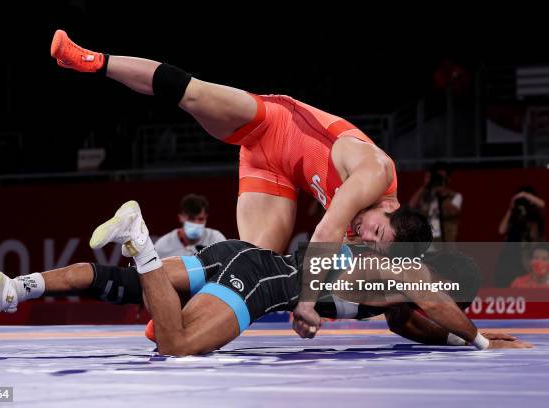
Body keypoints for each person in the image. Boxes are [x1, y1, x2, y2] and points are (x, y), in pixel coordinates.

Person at [50, 29, 433, 334]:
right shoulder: (375, 173)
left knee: (246, 263)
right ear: (391, 208)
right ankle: (92, 60)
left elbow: (393, 309)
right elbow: (326, 231)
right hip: (272, 122)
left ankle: (177, 312)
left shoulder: (371, 226)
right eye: (379, 235)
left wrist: (470, 338)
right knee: (191, 92)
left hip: (273, 173)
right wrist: (305, 301)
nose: (370, 240)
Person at [0, 201, 530, 353]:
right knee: (177, 344)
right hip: (261, 279)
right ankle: (139, 236)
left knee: (123, 288)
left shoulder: (390, 288)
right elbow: (436, 305)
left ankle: (11, 289)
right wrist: (480, 342)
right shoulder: (406, 267)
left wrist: (452, 337)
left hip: (240, 255)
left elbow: (413, 324)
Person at [495, 186, 546, 287]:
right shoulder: (515, 214)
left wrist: (524, 195)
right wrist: (511, 208)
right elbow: (501, 230)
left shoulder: (536, 215)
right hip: (512, 254)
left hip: (529, 254)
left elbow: (542, 204)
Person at [154, 193, 226, 257]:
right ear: (180, 217)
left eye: (200, 219)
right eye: (191, 219)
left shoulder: (216, 240)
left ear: (206, 218)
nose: (196, 223)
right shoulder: (162, 247)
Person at [409, 162, 462, 242]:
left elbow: (453, 211)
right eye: (436, 177)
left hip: (445, 242)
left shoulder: (455, 196)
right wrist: (425, 185)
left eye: (441, 177)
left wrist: (442, 193)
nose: (439, 180)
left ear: (448, 179)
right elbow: (411, 206)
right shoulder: (426, 196)